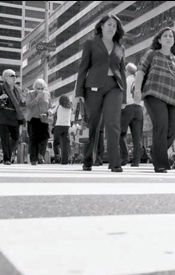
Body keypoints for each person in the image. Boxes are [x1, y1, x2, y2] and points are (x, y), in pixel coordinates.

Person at [133, 27, 175, 173]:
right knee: (161, 126)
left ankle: (156, 151)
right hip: (153, 95)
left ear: (174, 40)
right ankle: (161, 164)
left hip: (172, 99)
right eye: (165, 36)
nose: (168, 38)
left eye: (171, 36)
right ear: (159, 40)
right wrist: (138, 90)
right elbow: (140, 71)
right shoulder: (152, 54)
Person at [75, 13, 126, 172]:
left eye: (115, 25)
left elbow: (122, 71)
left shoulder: (120, 47)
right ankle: (88, 160)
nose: (112, 27)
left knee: (113, 124)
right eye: (109, 24)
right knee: (94, 125)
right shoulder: (91, 44)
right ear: (102, 26)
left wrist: (124, 97)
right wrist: (78, 93)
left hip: (115, 87)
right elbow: (83, 68)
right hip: (93, 88)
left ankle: (115, 163)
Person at [0, 69, 27, 165]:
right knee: (5, 138)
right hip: (3, 115)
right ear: (5, 78)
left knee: (16, 137)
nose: (14, 77)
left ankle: (7, 154)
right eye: (12, 76)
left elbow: (22, 104)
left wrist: (24, 96)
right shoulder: (0, 87)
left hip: (14, 115)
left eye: (15, 76)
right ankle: (7, 159)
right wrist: (0, 97)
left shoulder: (17, 89)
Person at [120, 62, 144, 167]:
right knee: (137, 136)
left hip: (127, 108)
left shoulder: (125, 81)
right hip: (139, 108)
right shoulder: (139, 81)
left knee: (121, 134)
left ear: (127, 71)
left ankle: (124, 157)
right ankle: (136, 160)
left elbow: (122, 96)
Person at [24, 79, 52, 165]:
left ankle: (41, 155)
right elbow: (28, 105)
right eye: (38, 88)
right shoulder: (30, 94)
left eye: (42, 88)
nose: (40, 90)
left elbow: (50, 106)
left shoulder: (47, 94)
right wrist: (37, 98)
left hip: (43, 118)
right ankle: (33, 159)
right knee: (33, 139)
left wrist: (50, 111)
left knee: (45, 137)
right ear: (35, 87)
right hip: (33, 118)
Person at [50, 95, 73, 165]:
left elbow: (51, 112)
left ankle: (57, 158)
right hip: (67, 126)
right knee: (65, 144)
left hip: (58, 126)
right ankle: (64, 161)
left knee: (56, 143)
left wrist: (49, 110)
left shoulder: (58, 106)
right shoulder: (70, 107)